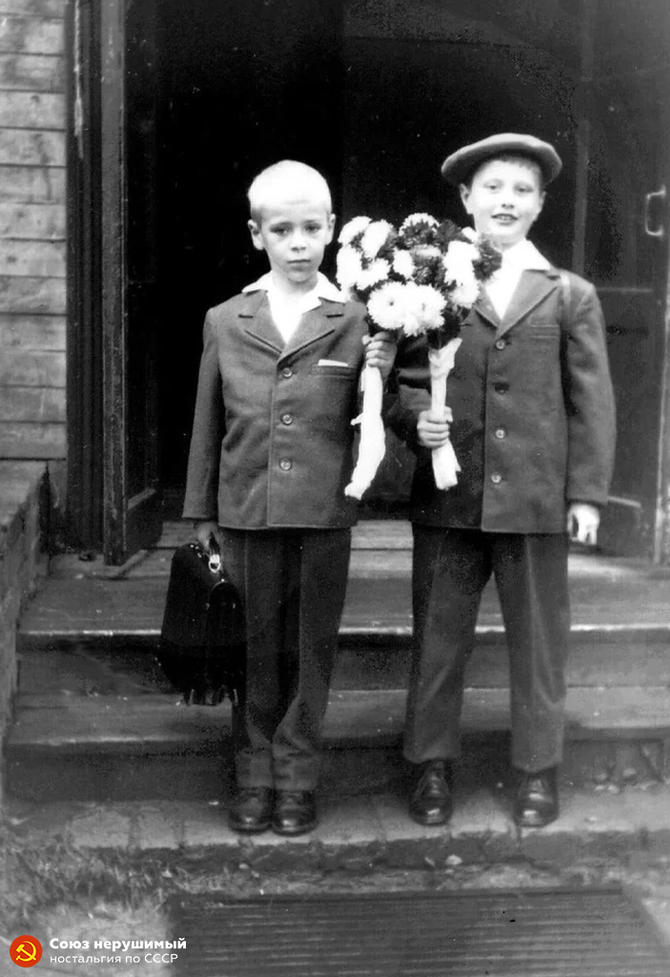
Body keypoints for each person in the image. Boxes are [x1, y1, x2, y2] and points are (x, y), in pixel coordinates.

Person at [389, 133, 616, 828]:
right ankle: (430, 766)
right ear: (466, 199)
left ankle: (537, 769)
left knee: (539, 642)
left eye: (522, 189)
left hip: (534, 499)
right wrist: (416, 419)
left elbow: (592, 402)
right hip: (450, 496)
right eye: (492, 188)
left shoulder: (567, 294)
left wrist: (585, 495)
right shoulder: (429, 289)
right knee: (438, 640)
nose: (506, 201)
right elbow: (400, 381)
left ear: (541, 204)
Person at [182, 160, 395, 836]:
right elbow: (207, 419)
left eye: (310, 228)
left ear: (331, 228)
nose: (298, 243)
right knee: (251, 646)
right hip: (246, 508)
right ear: (257, 234)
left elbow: (375, 415)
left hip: (323, 512)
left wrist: (386, 370)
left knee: (310, 647)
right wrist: (201, 510)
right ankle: (253, 774)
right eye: (282, 230)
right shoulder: (226, 319)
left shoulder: (359, 319)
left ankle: (297, 777)